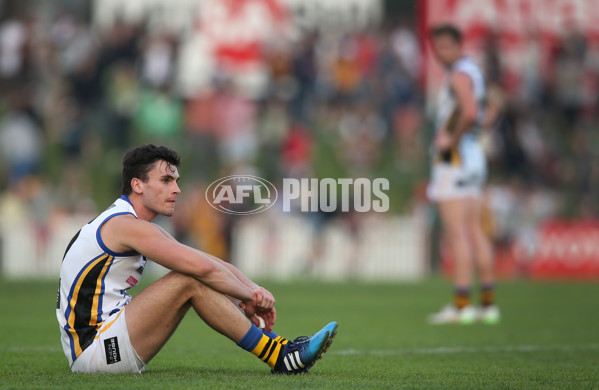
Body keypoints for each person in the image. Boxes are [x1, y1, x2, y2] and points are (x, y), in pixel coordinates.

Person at [56, 144, 338, 373]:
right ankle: (281, 356)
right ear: (137, 185)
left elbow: (208, 261)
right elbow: (201, 268)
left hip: (105, 342)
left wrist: (250, 292)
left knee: (192, 274)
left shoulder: (131, 223)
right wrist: (250, 296)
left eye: (176, 181)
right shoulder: (126, 226)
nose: (176, 189)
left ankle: (282, 351)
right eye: (166, 180)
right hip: (96, 353)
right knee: (189, 279)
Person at [426, 24, 500, 325]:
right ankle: (488, 304)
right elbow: (490, 108)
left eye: (444, 46)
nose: (440, 53)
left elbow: (469, 112)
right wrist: (473, 134)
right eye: (437, 47)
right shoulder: (475, 72)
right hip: (474, 158)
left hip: (454, 160)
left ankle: (461, 306)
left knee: (457, 234)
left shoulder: (458, 74)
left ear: (457, 45)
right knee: (474, 231)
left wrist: (451, 138)